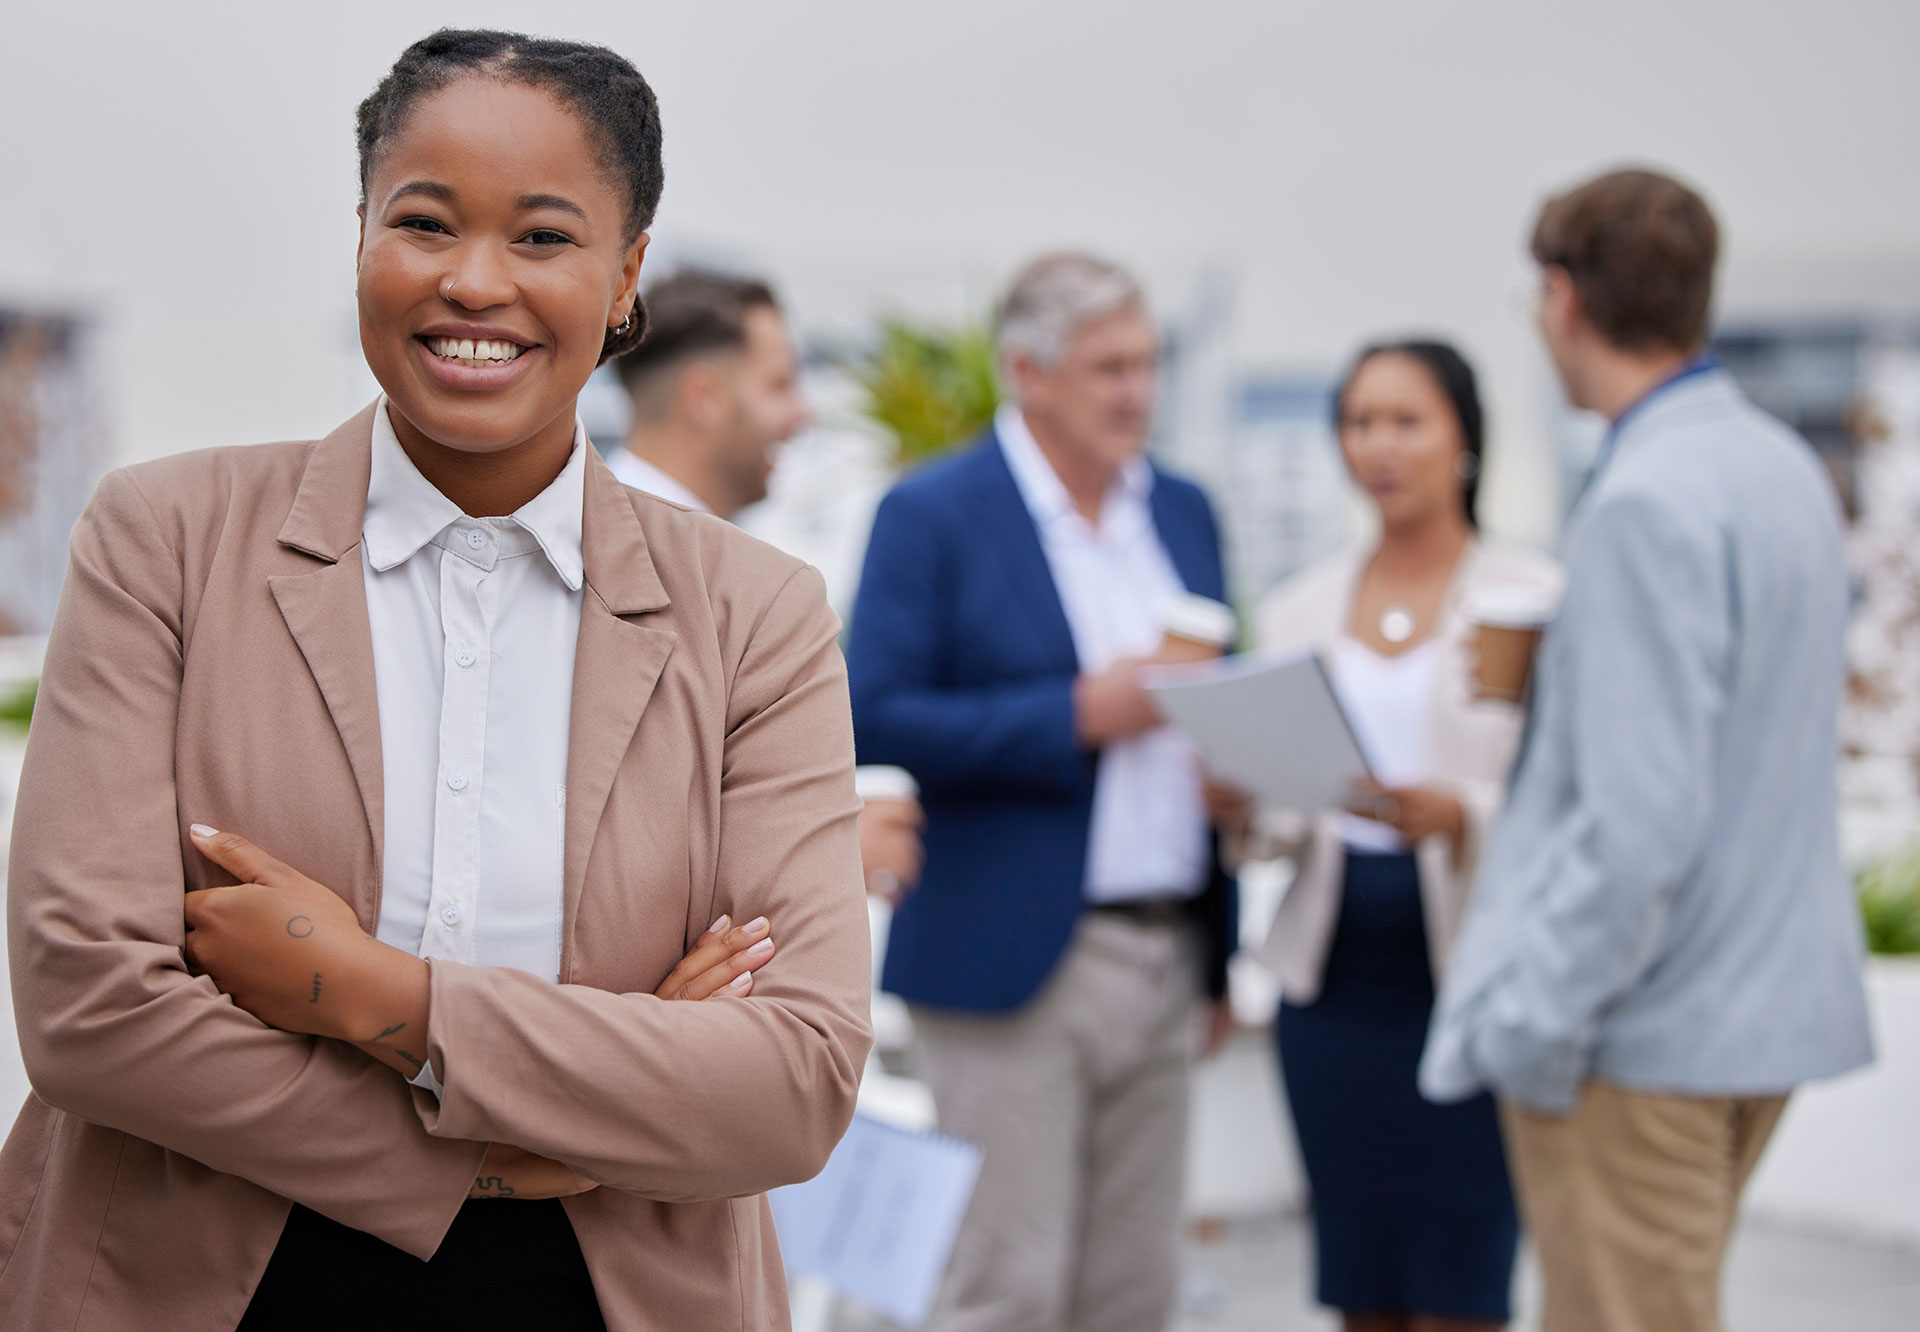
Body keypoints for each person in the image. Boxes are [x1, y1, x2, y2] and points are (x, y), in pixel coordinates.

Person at [1, 29, 871, 1331]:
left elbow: (792, 1076)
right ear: (360, 235)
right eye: (423, 222)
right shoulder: (166, 540)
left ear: (627, 275)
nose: (474, 282)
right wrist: (514, 1156)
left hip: (607, 1295)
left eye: (542, 238)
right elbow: (90, 1008)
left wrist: (377, 997)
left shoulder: (757, 616)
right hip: (198, 1283)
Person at [1420, 168, 1876, 1332]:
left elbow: (1640, 825)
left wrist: (1528, 1026)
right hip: (1757, 1012)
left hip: (1642, 1037)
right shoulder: (1782, 468)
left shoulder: (1642, 501)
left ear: (1565, 300)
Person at [847, 251, 1239, 1332]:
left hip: (1168, 950)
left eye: (1147, 363)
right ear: (1027, 370)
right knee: (1007, 1292)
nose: (1136, 391)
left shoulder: (1189, 511)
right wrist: (1077, 714)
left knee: (1136, 1293)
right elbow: (870, 711)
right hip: (1007, 962)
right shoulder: (932, 514)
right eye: (1108, 366)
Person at [1248, 340, 1559, 1332]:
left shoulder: (1536, 597)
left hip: (1472, 981)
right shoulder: (1298, 607)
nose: (1379, 446)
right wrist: (1239, 801)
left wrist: (1460, 813)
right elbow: (1276, 820)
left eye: (1408, 421)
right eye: (1360, 422)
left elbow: (1571, 794)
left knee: (1463, 1288)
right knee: (1362, 1289)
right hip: (1331, 986)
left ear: (1466, 439)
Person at [610, 269, 925, 899]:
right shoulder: (611, 556)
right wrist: (815, 852)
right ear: (706, 398)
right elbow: (606, 819)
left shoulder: (716, 562)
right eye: (780, 383)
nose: (801, 414)